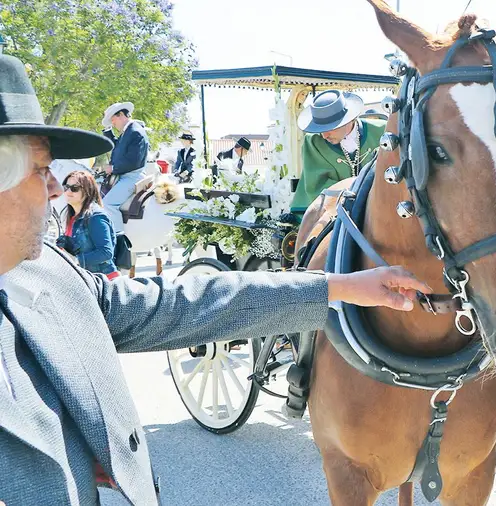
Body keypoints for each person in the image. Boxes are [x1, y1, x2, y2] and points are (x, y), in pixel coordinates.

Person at [0, 54, 431, 505]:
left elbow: (184, 303)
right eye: (40, 170)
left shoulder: (50, 276)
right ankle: (304, 367)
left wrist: (337, 287)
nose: (54, 188)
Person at [289, 90, 386, 217]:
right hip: (331, 208)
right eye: (320, 129)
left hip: (380, 203)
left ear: (347, 120)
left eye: (329, 128)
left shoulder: (382, 130)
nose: (324, 135)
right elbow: (317, 185)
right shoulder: (313, 141)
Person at [56, 171, 119, 280]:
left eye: (74, 188)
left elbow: (106, 252)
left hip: (105, 282)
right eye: (66, 187)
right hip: (88, 280)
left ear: (87, 191)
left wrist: (75, 260)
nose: (68, 191)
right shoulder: (72, 216)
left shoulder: (96, 217)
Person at [101, 101, 149, 234]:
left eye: (113, 119)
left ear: (121, 114)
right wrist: (108, 133)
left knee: (108, 205)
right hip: (125, 174)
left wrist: (113, 168)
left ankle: (118, 239)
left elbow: (134, 161)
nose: (113, 123)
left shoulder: (135, 132)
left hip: (131, 176)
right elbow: (119, 148)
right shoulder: (128, 131)